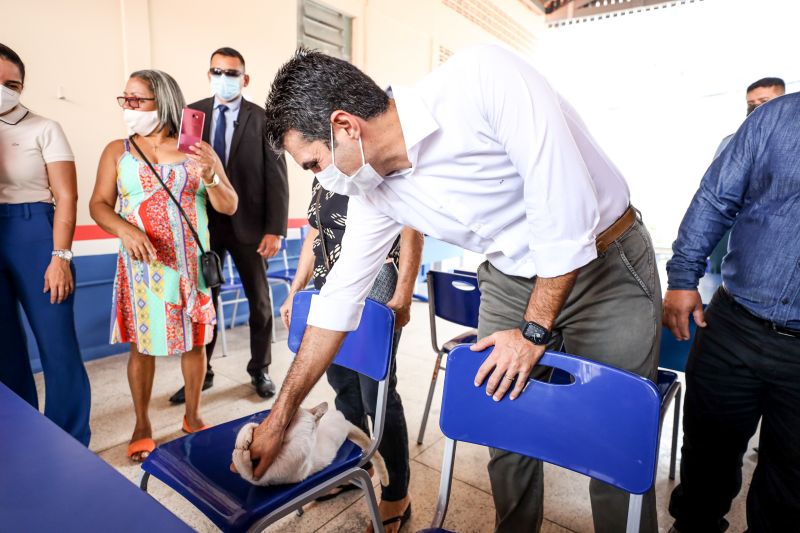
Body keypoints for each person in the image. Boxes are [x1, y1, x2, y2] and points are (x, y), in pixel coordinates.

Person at [249, 45, 662, 533]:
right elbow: (337, 301)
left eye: (314, 164)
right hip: (511, 273)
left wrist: (531, 334)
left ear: (345, 127)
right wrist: (280, 417)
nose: (322, 180)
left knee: (612, 439)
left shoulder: (482, 80)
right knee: (503, 426)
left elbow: (566, 215)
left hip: (605, 262)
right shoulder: (372, 190)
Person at [664, 94, 800, 532]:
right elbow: (715, 197)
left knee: (789, 492)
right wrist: (684, 278)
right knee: (705, 465)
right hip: (734, 327)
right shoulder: (778, 117)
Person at [89, 70, 238, 462]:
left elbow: (229, 205)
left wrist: (213, 177)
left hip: (191, 265)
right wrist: (125, 230)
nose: (129, 107)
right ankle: (142, 424)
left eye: (138, 100)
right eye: (126, 99)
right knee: (143, 346)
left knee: (195, 343)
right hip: (143, 267)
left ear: (165, 101)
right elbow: (99, 205)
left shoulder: (197, 150)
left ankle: (192, 415)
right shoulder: (116, 151)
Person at [279, 179, 422, 531]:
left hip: (377, 284)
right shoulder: (321, 174)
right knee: (344, 386)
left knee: (378, 396)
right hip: (331, 286)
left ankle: (396, 493)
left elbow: (411, 226)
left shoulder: (374, 163)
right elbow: (316, 235)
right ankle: (356, 465)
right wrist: (296, 287)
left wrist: (404, 293)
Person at [168, 47, 289, 403]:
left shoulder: (263, 118)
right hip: (204, 226)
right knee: (205, 300)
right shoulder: (193, 116)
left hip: (251, 227)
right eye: (217, 71)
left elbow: (277, 177)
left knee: (260, 302)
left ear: (244, 78)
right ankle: (201, 372)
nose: (224, 77)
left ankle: (260, 370)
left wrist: (275, 228)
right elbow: (183, 171)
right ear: (209, 74)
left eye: (232, 72)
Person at [0, 43, 91, 446]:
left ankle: (69, 441)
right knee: (5, 350)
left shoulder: (43, 127)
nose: (4, 89)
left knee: (57, 345)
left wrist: (60, 256)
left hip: (35, 230)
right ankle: (23, 437)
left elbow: (66, 196)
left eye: (11, 83)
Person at [708, 77, 785, 273]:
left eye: (764, 102)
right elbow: (713, 195)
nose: (756, 108)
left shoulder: (791, 145)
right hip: (728, 233)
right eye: (751, 104)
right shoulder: (730, 143)